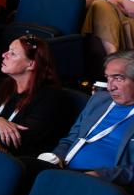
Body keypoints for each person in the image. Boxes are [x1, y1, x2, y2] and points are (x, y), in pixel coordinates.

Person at [38, 54, 134, 183]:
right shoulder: (98, 100)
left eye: (118, 78)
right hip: (64, 170)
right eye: (108, 78)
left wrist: (100, 175)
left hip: (103, 183)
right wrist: (55, 156)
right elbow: (71, 139)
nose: (110, 87)